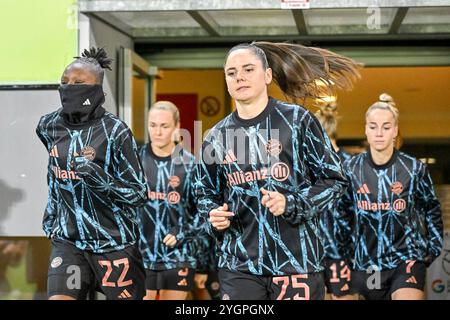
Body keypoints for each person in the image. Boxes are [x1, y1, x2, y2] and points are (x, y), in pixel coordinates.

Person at [195, 41, 360, 300]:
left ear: (268, 75)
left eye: (248, 69)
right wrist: (212, 215)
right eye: (231, 72)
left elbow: (335, 180)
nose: (239, 76)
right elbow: (204, 195)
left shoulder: (298, 120)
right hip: (239, 266)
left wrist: (292, 203)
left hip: (296, 263)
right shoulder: (215, 136)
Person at [36, 47, 148, 300]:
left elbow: (139, 193)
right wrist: (52, 216)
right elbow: (54, 173)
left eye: (78, 83)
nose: (68, 88)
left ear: (96, 89)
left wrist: (99, 177)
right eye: (64, 82)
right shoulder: (48, 125)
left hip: (114, 244)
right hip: (69, 241)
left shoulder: (116, 131)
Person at [339, 93, 443, 300]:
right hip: (366, 263)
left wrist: (432, 248)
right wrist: (341, 255)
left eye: (386, 127)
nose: (379, 133)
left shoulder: (413, 168)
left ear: (395, 131)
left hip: (406, 259)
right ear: (365, 130)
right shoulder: (350, 169)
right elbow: (341, 215)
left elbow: (431, 208)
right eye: (373, 126)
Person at [137, 101, 199, 300]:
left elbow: (204, 213)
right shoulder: (135, 161)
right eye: (153, 125)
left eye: (164, 126)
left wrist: (183, 232)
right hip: (141, 255)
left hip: (178, 255)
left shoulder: (190, 165)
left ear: (176, 127)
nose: (158, 132)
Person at [315, 102, 354, 300]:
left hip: (342, 250)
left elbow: (357, 210)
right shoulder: (310, 165)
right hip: (314, 251)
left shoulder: (348, 163)